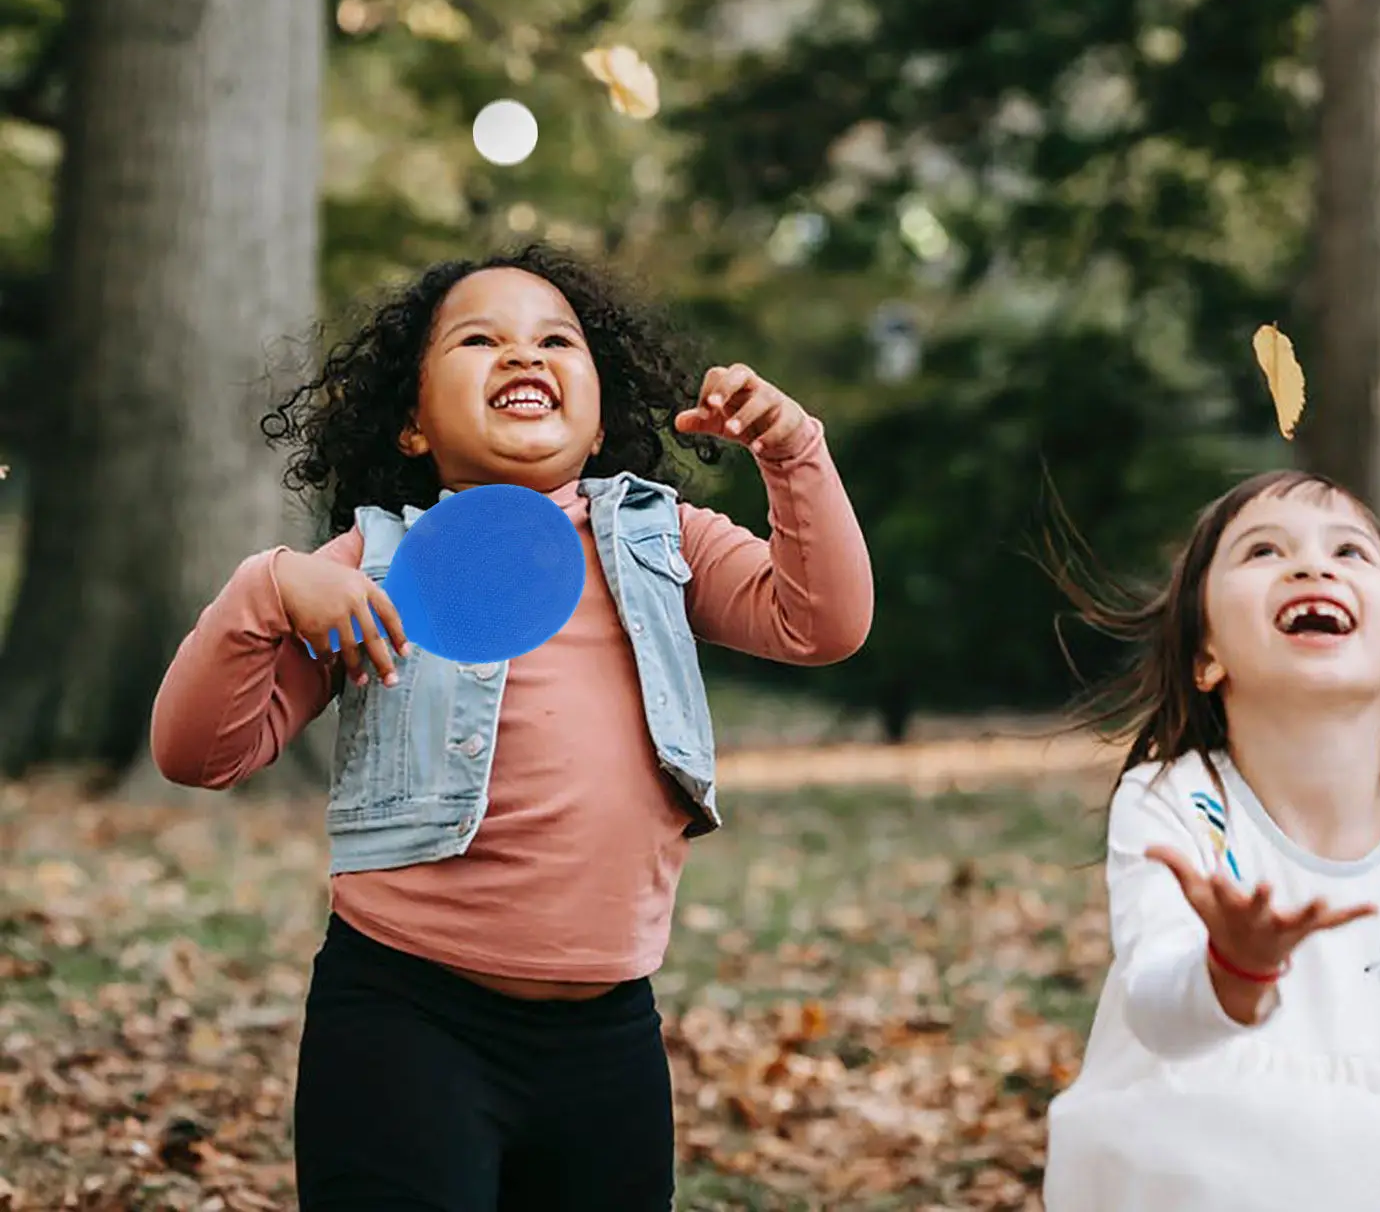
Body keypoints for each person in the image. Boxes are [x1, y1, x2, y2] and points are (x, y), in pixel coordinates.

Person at [150, 242, 873, 1212]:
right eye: (479, 338)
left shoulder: (662, 538)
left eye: (554, 340)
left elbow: (819, 622)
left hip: (609, 1038)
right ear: (411, 423)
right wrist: (270, 586)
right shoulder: (371, 563)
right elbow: (200, 752)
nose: (522, 355)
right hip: (407, 1022)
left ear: (602, 408)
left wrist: (793, 450)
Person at [1041, 471, 1380, 1212]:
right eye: (1263, 549)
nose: (1311, 565)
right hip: (1200, 1141)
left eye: (1351, 552)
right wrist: (1231, 971)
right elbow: (1158, 1014)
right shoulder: (1179, 805)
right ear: (1207, 657)